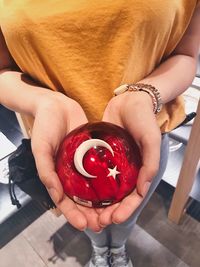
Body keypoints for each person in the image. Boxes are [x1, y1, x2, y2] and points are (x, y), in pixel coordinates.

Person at [0, 1, 200, 266]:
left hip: (140, 142)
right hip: (62, 151)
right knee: (87, 220)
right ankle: (98, 250)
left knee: (126, 216)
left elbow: (186, 55)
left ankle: (117, 249)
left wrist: (145, 94)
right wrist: (43, 102)